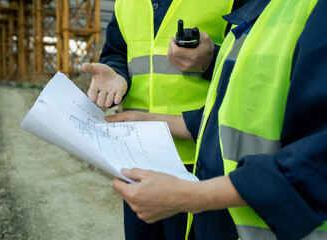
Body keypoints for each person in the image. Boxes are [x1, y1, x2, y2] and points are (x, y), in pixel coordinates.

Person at [107, 0, 327, 239]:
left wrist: (191, 196)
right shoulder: (260, 12)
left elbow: (316, 161)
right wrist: (150, 120)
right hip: (200, 193)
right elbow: (233, 110)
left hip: (228, 200)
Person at [81, 0, 251, 239]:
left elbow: (251, 67)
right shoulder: (125, 3)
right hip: (138, 156)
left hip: (199, 162)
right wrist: (117, 74)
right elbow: (117, 52)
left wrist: (211, 62)